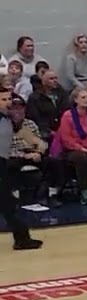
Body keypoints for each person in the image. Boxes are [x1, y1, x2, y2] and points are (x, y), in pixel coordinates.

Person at [0, 87, 42, 250]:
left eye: (9, 99)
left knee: (7, 204)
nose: (8, 103)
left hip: (3, 163)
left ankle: (22, 238)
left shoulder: (8, 119)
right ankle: (22, 238)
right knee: (8, 204)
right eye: (3, 100)